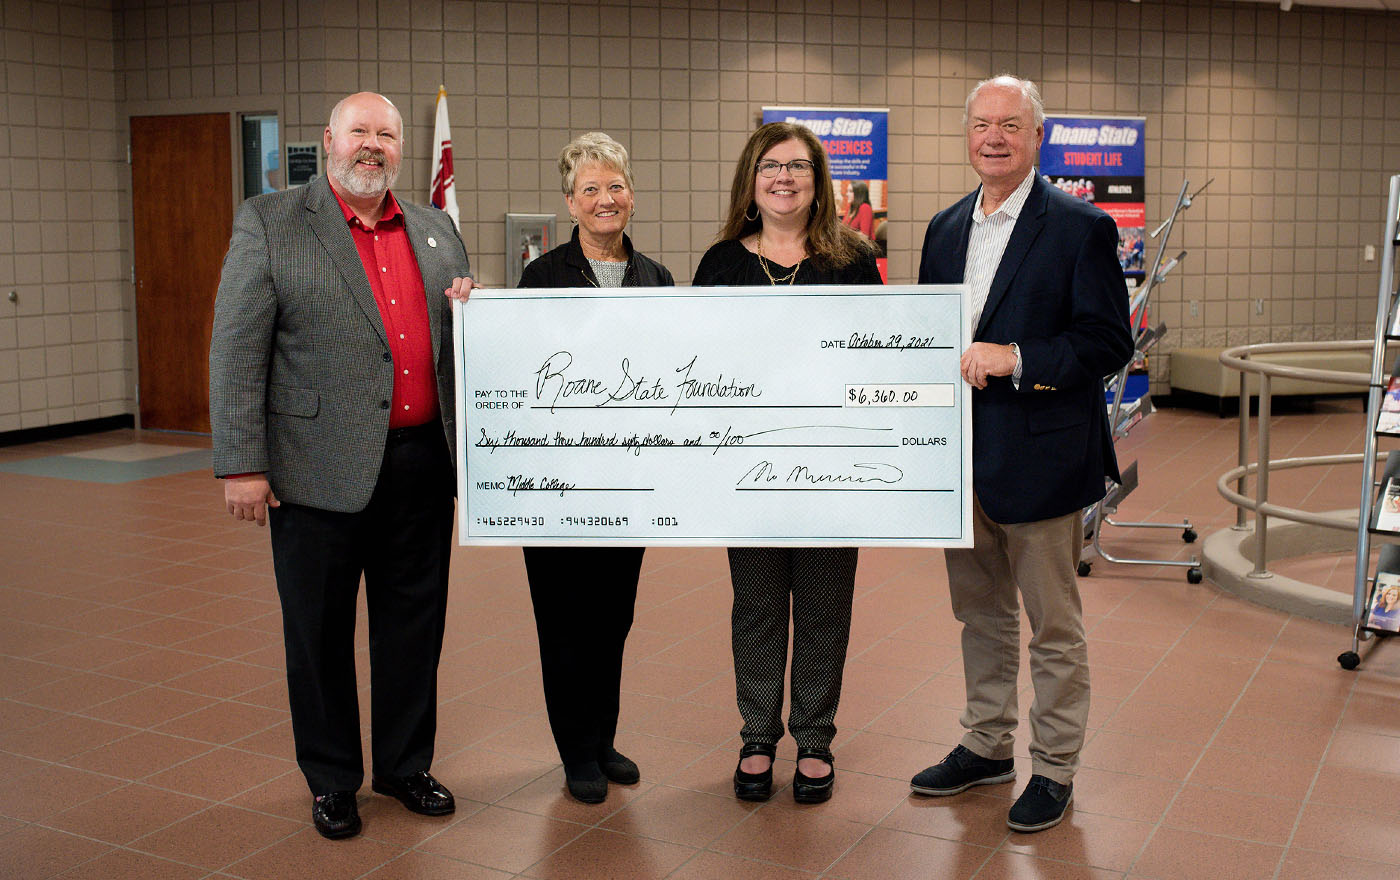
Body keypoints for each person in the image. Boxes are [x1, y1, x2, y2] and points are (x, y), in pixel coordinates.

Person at [210, 92, 472, 840]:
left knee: (414, 628)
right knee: (318, 634)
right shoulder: (271, 221)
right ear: (329, 138)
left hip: (422, 464)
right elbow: (236, 349)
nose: (373, 145)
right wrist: (241, 464)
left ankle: (404, 764)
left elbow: (455, 342)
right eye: (359, 131)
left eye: (385, 134)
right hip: (311, 471)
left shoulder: (434, 228)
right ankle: (331, 780)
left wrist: (471, 309)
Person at [908, 75, 1133, 833]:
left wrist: (1018, 357)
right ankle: (987, 743)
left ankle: (1056, 767)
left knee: (1054, 627)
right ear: (967, 134)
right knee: (980, 615)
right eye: (981, 124)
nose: (993, 137)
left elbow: (1107, 341)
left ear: (1038, 137)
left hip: (1041, 459)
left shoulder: (1079, 227)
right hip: (959, 462)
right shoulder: (943, 229)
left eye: (1010, 124)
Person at [454, 133, 673, 803]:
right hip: (555, 485)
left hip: (628, 483)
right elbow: (517, 368)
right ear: (570, 204)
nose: (605, 200)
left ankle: (602, 739)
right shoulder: (542, 276)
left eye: (615, 187)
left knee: (615, 616)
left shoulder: (658, 279)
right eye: (590, 190)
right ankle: (575, 750)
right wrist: (474, 311)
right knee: (565, 618)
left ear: (631, 195)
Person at [693, 121, 881, 805]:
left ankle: (814, 737)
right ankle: (756, 735)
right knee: (760, 605)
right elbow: (694, 365)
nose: (785, 178)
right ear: (752, 177)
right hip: (748, 468)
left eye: (799, 167)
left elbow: (877, 354)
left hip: (833, 466)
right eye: (772, 166)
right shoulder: (720, 264)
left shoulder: (854, 259)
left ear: (818, 180)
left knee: (826, 604)